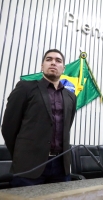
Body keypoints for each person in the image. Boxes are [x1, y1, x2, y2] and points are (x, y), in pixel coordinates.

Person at [1, 49, 77, 187]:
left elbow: (67, 126)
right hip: (29, 165)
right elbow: (8, 127)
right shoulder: (25, 88)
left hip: (61, 166)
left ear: (63, 68)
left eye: (58, 61)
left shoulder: (70, 96)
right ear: (42, 66)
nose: (53, 63)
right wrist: (21, 155)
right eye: (49, 59)